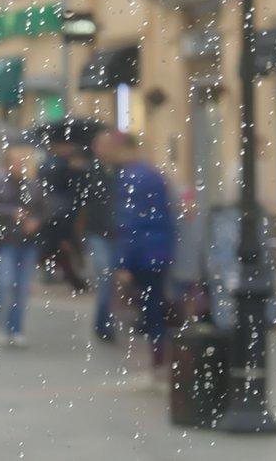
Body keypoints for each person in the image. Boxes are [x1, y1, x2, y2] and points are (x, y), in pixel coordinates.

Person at [95, 129, 175, 387]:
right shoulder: (154, 175)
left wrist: (124, 263)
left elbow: (130, 224)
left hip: (143, 253)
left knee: (150, 311)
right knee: (154, 307)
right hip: (159, 250)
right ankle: (159, 365)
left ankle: (158, 368)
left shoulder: (132, 178)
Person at [0, 145, 44, 347]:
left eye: (24, 162)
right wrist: (11, 212)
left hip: (27, 243)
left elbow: (43, 210)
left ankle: (16, 328)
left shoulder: (34, 186)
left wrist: (35, 221)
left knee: (21, 288)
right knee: (4, 283)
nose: (20, 166)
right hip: (6, 241)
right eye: (16, 162)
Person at [38, 138, 88, 292]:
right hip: (60, 212)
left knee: (58, 246)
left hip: (58, 211)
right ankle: (71, 278)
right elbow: (72, 190)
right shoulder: (59, 165)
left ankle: (64, 275)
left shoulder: (50, 164)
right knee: (62, 245)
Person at [83, 140, 118, 342]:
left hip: (115, 233)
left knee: (111, 281)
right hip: (97, 233)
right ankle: (104, 324)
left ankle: (103, 321)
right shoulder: (91, 172)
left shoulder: (119, 171)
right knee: (105, 279)